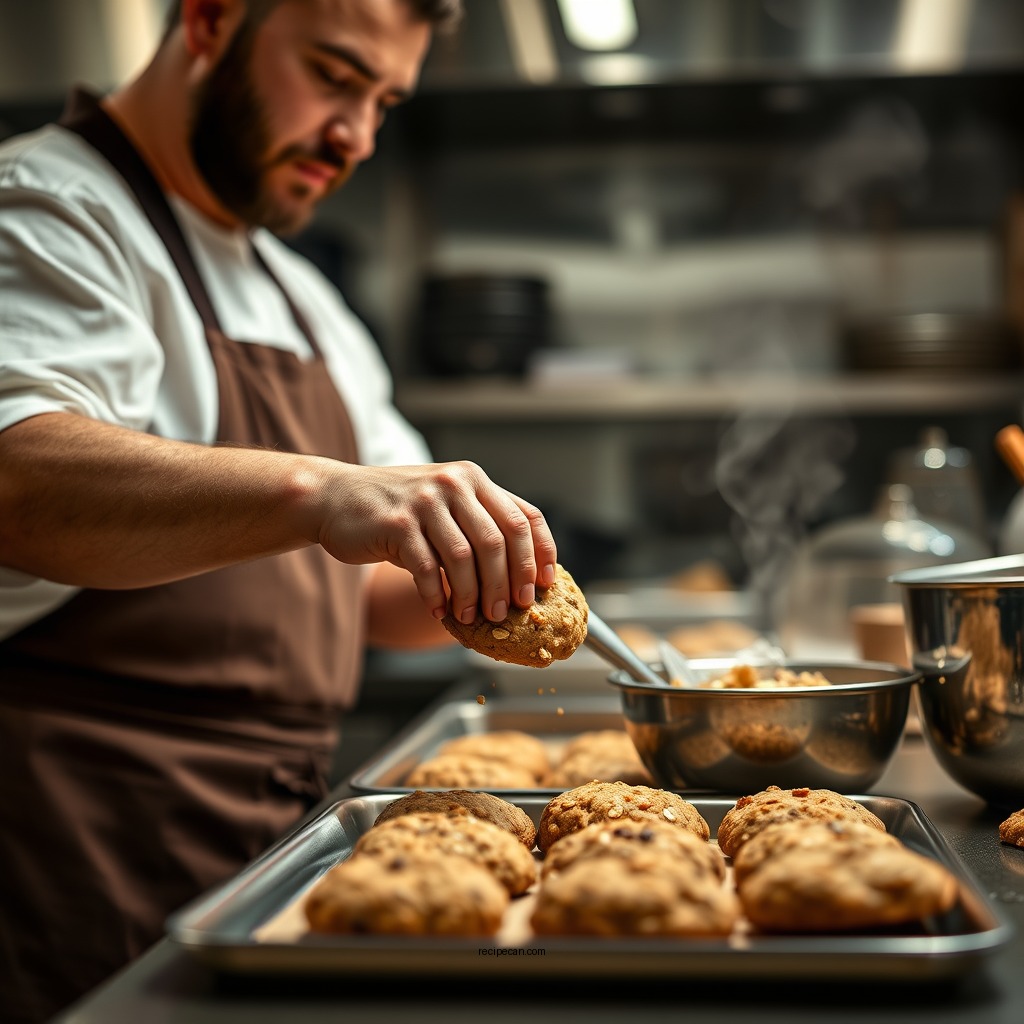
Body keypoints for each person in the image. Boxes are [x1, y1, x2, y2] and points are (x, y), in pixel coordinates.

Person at [0, 1, 558, 1019]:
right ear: (211, 19)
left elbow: (381, 594)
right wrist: (325, 490)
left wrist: (499, 567)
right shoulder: (47, 211)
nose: (358, 137)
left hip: (271, 861)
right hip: (75, 861)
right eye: (336, 76)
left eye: (385, 102)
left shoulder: (302, 297)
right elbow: (19, 480)